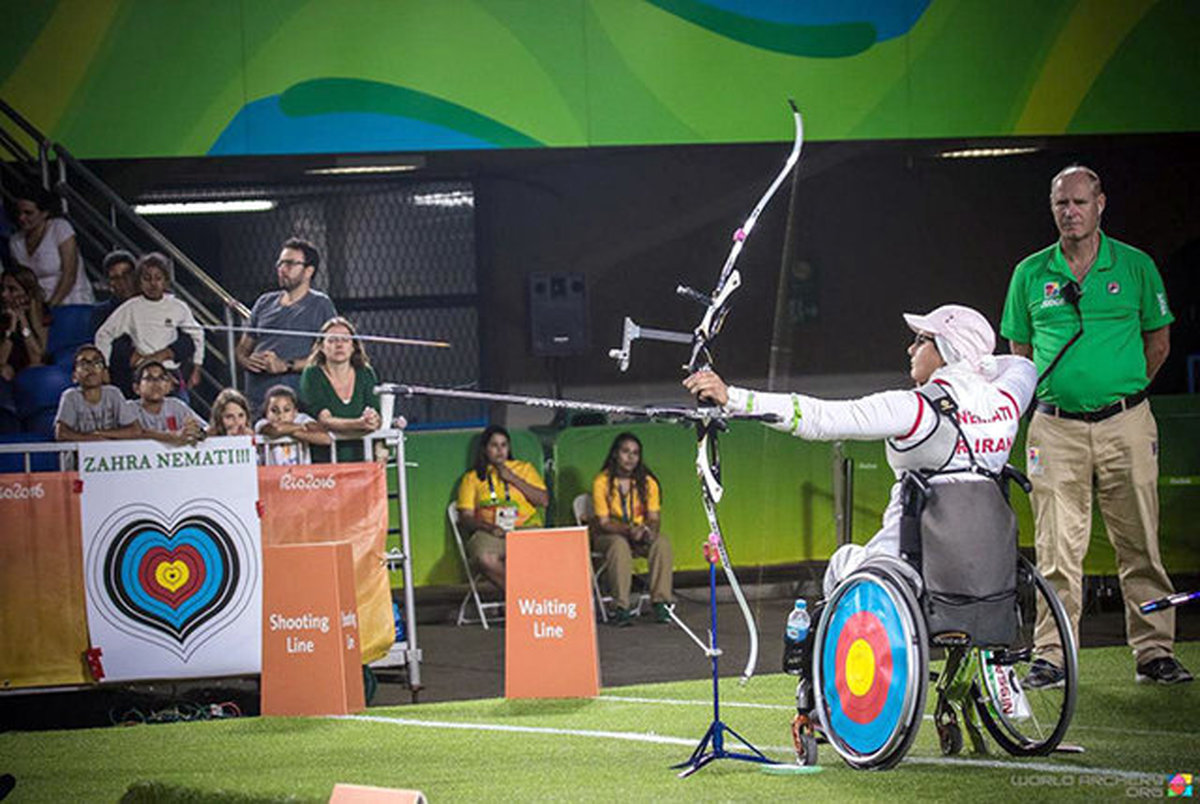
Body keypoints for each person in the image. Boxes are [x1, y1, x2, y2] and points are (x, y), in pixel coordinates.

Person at [684, 304, 1037, 600]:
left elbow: (821, 419)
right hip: (988, 562)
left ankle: (822, 680)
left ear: (947, 349)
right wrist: (981, 366)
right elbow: (1021, 366)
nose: (910, 350)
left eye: (920, 340)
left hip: (910, 563)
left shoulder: (914, 408)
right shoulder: (1007, 399)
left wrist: (734, 398)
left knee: (843, 563)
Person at [1001, 165, 1190, 686]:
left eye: (1080, 202)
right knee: (1056, 548)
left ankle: (1154, 651)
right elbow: (1020, 353)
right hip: (1054, 428)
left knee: (1140, 544)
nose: (1071, 212)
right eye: (1062, 203)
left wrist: (1121, 395)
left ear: (1100, 203)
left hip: (1126, 424)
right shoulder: (1030, 274)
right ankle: (1052, 655)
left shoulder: (1135, 267)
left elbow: (1159, 343)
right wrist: (1065, 395)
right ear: (1053, 207)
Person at [236, 238, 337, 411]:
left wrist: (286, 365)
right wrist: (247, 361)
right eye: (280, 263)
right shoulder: (264, 302)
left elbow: (328, 356)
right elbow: (242, 348)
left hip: (296, 404)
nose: (282, 269)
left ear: (308, 271)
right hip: (257, 400)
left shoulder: (321, 305)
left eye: (290, 264)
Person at [590, 432, 675, 626]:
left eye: (635, 453)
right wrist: (629, 530)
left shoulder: (648, 483)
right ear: (615, 454)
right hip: (610, 536)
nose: (630, 457)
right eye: (625, 452)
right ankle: (621, 607)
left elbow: (654, 519)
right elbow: (604, 523)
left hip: (638, 534)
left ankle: (661, 602)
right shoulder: (601, 482)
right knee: (619, 545)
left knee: (661, 542)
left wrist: (647, 531)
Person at [93, 253, 205, 395]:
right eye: (147, 278)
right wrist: (105, 368)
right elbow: (103, 335)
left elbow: (194, 335)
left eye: (158, 278)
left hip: (171, 373)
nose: (153, 283)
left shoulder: (177, 306)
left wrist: (196, 366)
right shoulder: (129, 308)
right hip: (138, 376)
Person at [455, 425, 549, 591]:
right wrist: (489, 528)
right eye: (494, 445)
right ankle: (522, 597)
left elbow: (543, 500)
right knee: (484, 558)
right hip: (493, 533)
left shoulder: (524, 468)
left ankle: (524, 600)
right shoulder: (472, 478)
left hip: (526, 529)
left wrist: (512, 478)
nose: (500, 450)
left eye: (504, 445)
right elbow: (466, 517)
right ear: (485, 449)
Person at [298, 316, 381, 462]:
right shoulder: (312, 374)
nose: (339, 345)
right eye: (332, 340)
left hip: (363, 457)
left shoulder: (365, 373)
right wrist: (360, 424)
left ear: (353, 346)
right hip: (325, 461)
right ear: (322, 347)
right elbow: (325, 420)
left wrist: (373, 419)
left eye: (345, 340)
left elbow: (376, 414)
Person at [7, 187, 94, 306]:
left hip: (73, 302)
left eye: (28, 213)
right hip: (38, 307)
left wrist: (51, 306)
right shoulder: (15, 241)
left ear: (44, 213)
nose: (22, 218)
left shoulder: (60, 228)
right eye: (19, 213)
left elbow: (69, 274)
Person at [53, 345, 140, 442]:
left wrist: (99, 433)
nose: (91, 368)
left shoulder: (113, 393)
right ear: (74, 376)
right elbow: (61, 433)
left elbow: (135, 430)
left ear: (104, 373)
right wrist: (91, 439)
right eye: (84, 364)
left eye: (97, 363)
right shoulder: (71, 396)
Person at [127, 361, 206, 447]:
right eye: (149, 378)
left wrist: (195, 431)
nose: (156, 383)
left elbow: (204, 430)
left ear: (168, 386)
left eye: (161, 378)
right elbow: (132, 432)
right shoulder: (129, 409)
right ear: (136, 388)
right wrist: (173, 436)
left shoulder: (176, 405)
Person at [254, 384, 329, 465]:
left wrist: (290, 431)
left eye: (286, 410)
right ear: (266, 411)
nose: (280, 415)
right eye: (274, 410)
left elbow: (325, 439)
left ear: (295, 411)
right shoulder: (262, 424)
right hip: (272, 474)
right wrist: (301, 427)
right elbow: (276, 429)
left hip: (300, 474)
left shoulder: (302, 418)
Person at [1, 267, 49, 380]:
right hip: (9, 369)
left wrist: (22, 320)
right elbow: (1, 360)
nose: (4, 294)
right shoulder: (2, 316)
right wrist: (12, 325)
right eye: (3, 289)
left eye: (12, 289)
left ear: (27, 291)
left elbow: (37, 356)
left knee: (36, 368)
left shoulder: (41, 312)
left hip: (31, 366)